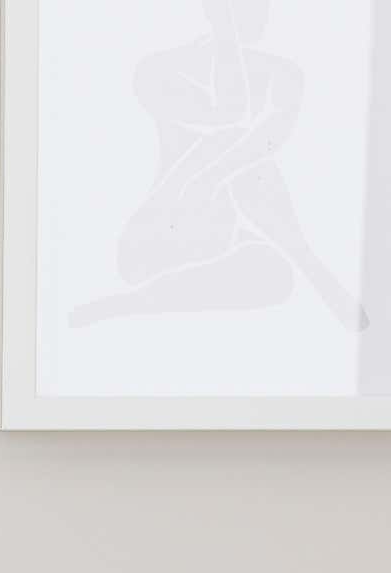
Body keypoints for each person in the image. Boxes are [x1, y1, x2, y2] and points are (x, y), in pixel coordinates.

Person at [71, 0, 369, 331]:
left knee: (276, 273)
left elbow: (268, 140)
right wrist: (225, 32)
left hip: (223, 236)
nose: (263, 12)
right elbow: (228, 115)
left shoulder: (285, 73)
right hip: (162, 232)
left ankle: (129, 305)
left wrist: (211, 179)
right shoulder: (160, 69)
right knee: (237, 146)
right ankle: (319, 276)